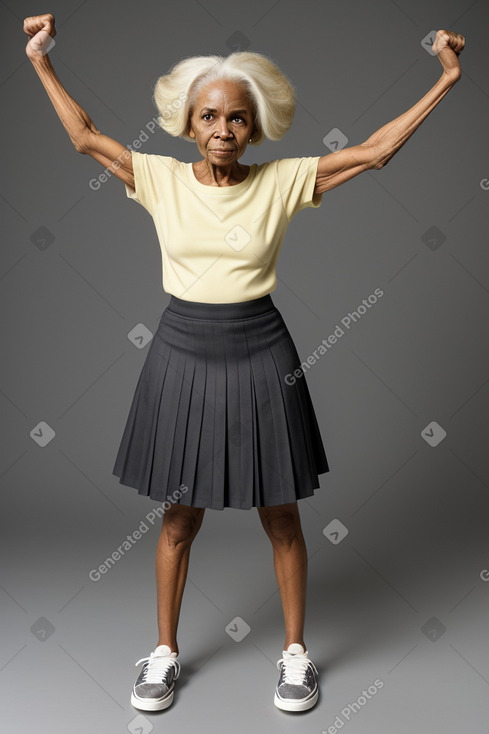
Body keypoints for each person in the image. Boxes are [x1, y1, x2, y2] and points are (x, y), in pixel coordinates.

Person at [23, 13, 465, 714]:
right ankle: (163, 653)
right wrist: (41, 60)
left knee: (281, 514)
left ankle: (295, 657)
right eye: (208, 116)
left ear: (253, 129)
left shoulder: (284, 181)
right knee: (177, 516)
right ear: (188, 125)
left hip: (261, 351)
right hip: (179, 350)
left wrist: (445, 79)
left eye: (236, 118)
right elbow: (83, 137)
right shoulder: (159, 179)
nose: (223, 128)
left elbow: (375, 152)